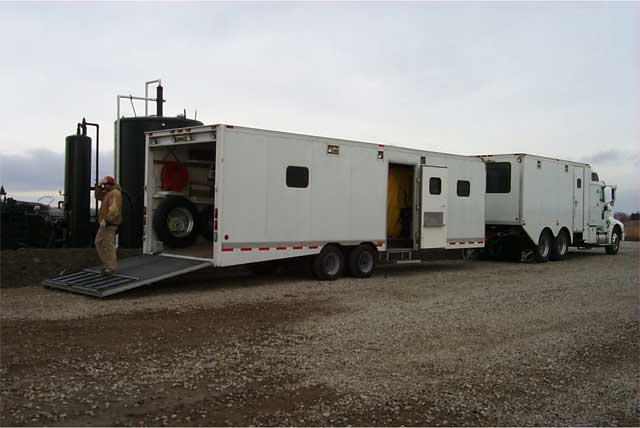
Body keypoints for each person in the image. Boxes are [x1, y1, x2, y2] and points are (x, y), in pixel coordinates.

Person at [95, 176, 123, 274]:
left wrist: (107, 220)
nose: (103, 187)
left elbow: (114, 209)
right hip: (106, 224)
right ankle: (107, 265)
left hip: (109, 224)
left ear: (109, 185)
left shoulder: (114, 193)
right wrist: (98, 185)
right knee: (99, 242)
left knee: (107, 244)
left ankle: (110, 267)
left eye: (104, 185)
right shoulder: (108, 193)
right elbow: (97, 196)